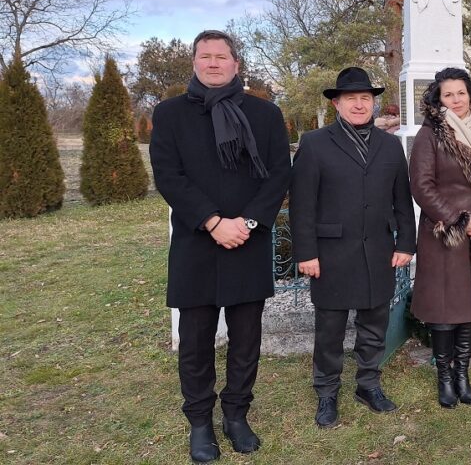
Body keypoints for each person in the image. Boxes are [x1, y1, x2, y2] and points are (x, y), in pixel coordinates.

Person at [150, 30, 290, 463]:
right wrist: (213, 222)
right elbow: (168, 176)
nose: (213, 63)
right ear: (194, 62)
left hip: (248, 241)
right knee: (195, 340)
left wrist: (245, 223)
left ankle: (236, 415)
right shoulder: (170, 114)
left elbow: (279, 175)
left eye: (221, 56)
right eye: (205, 56)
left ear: (236, 63)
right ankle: (200, 422)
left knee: (247, 338)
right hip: (196, 243)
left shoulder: (264, 114)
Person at [290, 67, 417, 428]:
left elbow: (402, 200)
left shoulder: (390, 145)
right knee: (329, 330)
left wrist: (406, 242)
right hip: (330, 254)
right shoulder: (314, 143)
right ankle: (327, 392)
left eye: (366, 98)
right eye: (351, 99)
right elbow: (302, 204)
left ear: (373, 104)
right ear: (337, 103)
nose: (360, 105)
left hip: (377, 250)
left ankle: (368, 385)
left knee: (373, 325)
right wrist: (306, 253)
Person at [409, 67, 471, 408]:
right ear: (438, 99)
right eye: (448, 94)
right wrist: (457, 220)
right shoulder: (430, 135)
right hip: (444, 234)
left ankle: (463, 374)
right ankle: (444, 377)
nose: (455, 99)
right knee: (443, 308)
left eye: (461, 93)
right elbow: (422, 186)